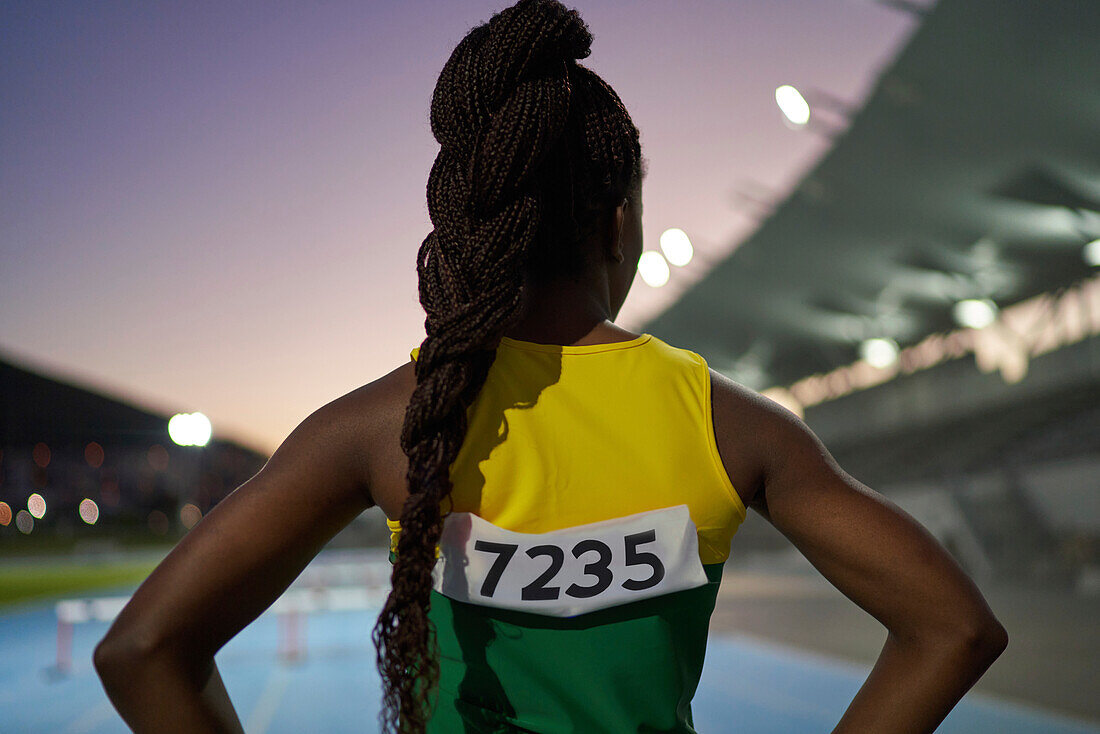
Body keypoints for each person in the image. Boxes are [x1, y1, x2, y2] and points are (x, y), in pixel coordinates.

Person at [92, 1, 1008, 732]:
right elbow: (955, 628)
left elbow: (141, 651)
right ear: (618, 221)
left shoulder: (380, 424)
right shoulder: (731, 423)